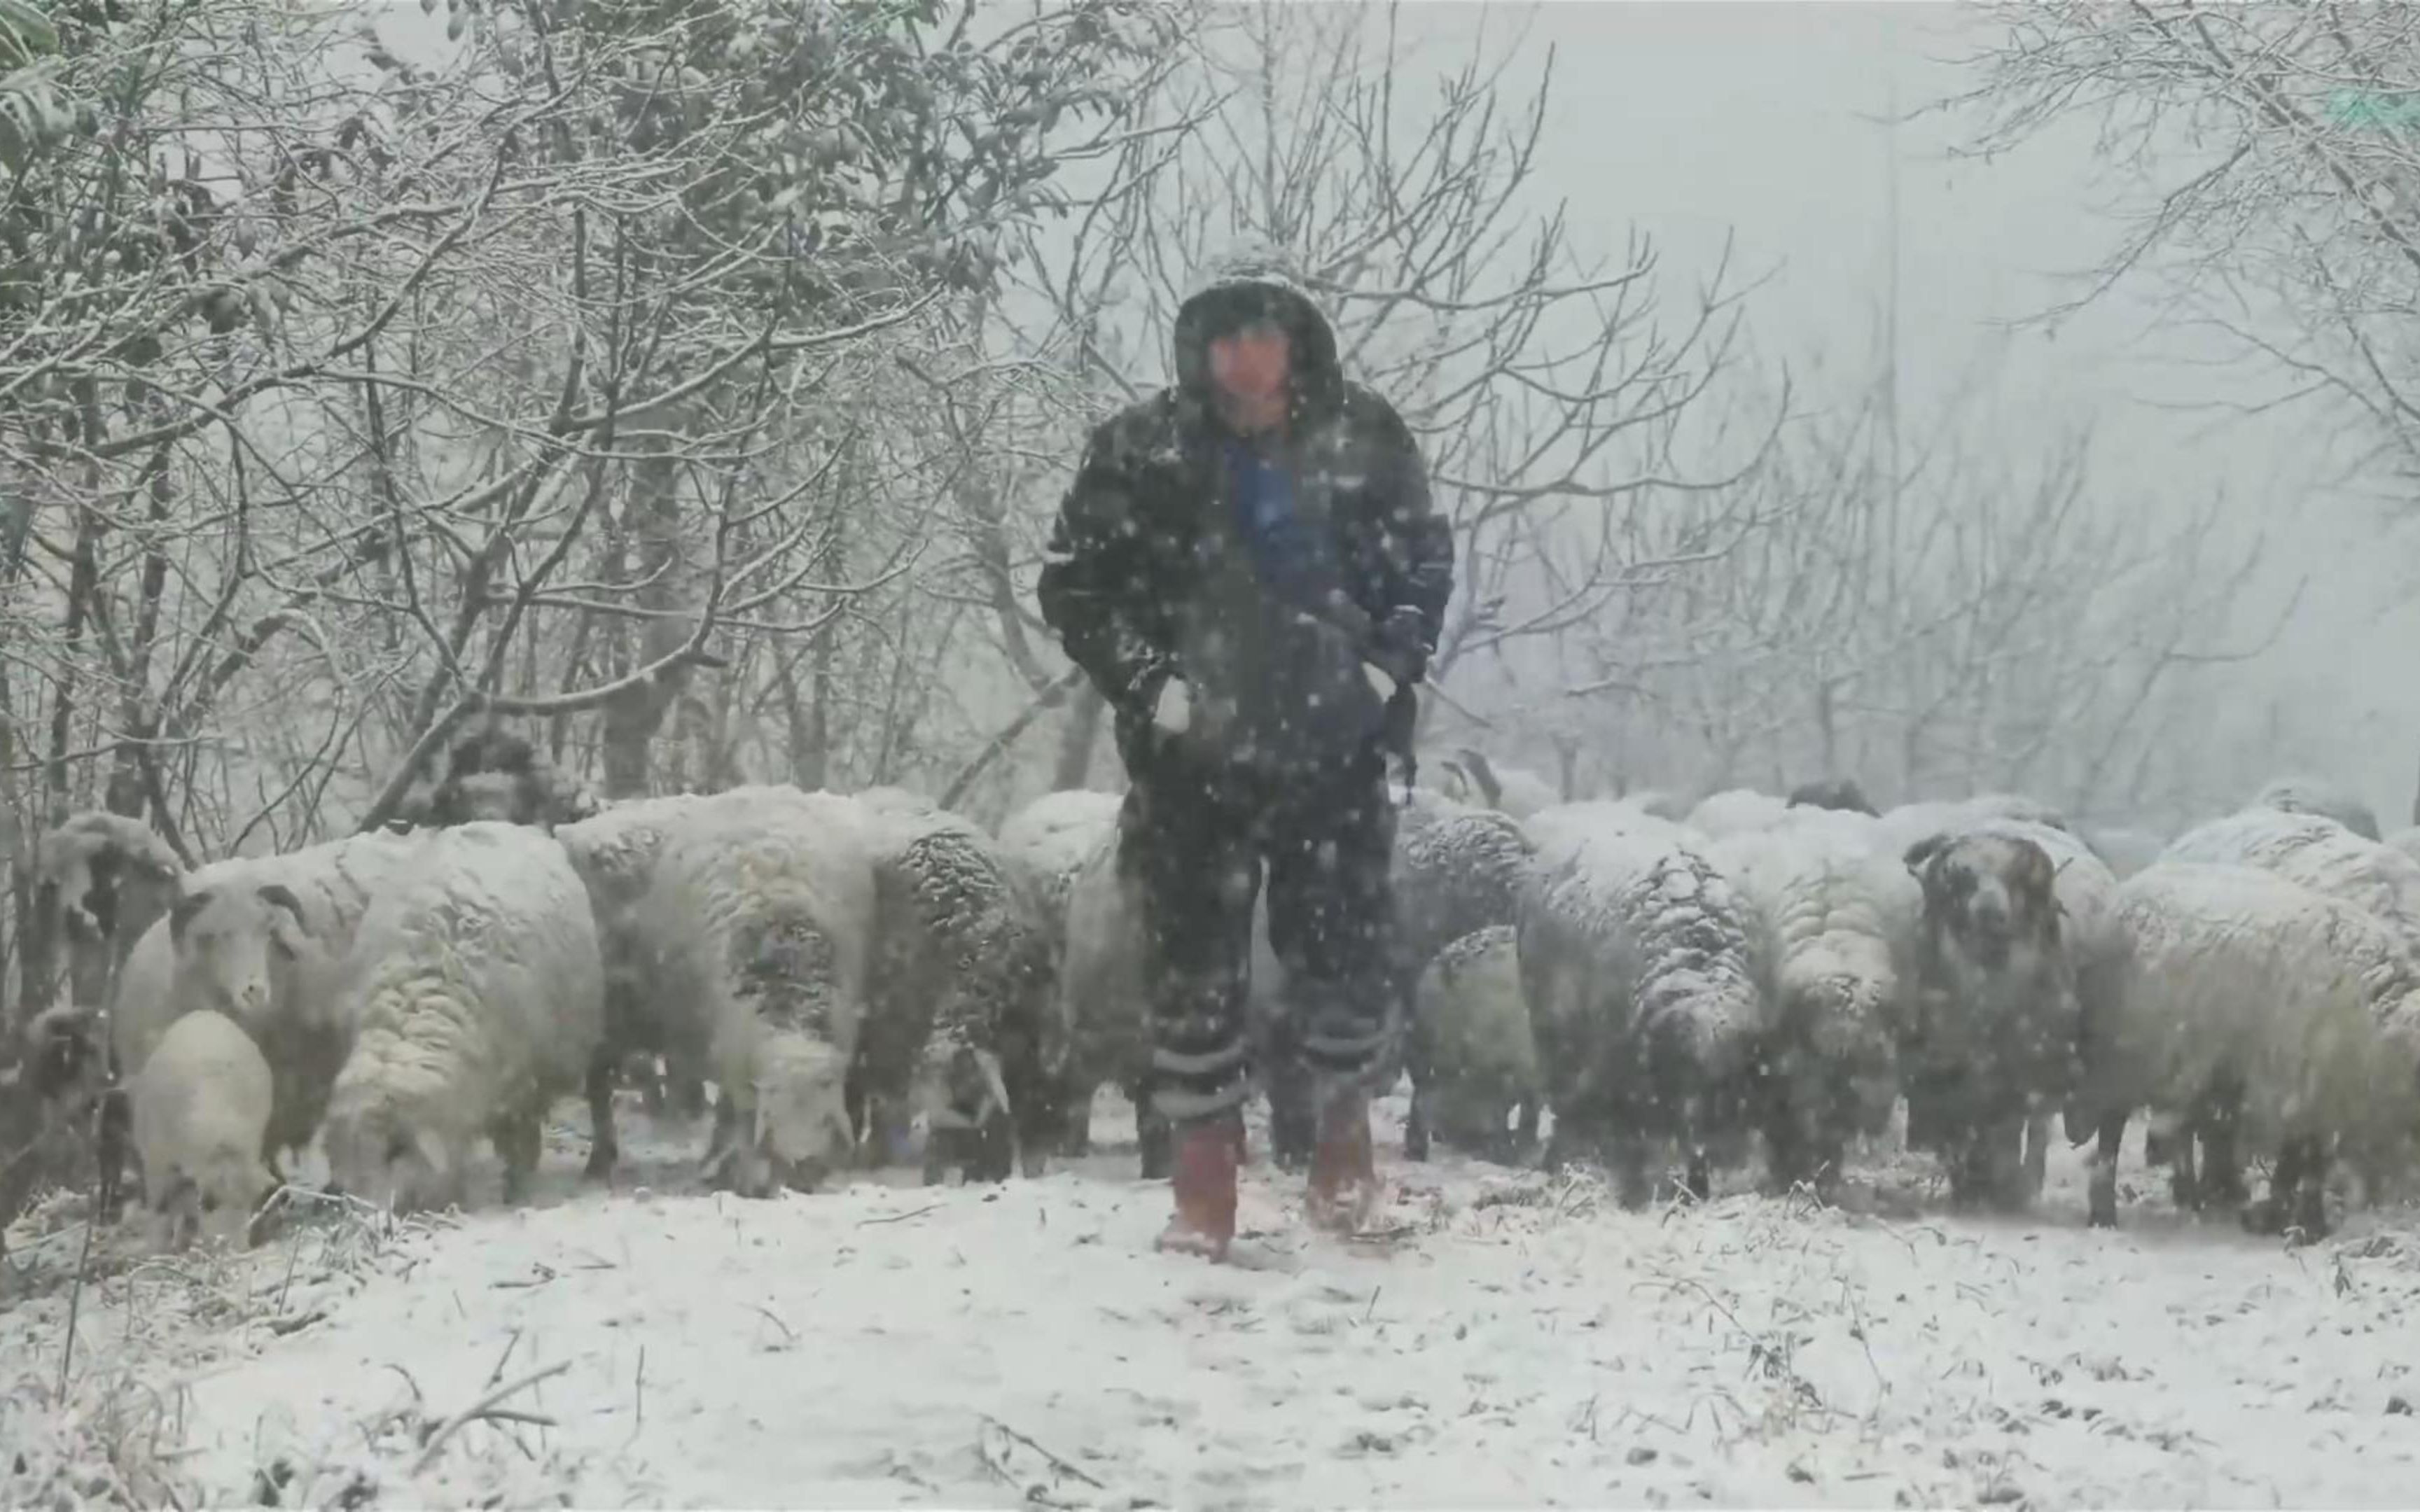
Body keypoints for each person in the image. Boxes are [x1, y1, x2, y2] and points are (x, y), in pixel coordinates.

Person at [1036, 245, 1454, 1261]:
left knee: (1343, 947)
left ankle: (1344, 1147)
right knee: (1192, 958)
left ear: (1296, 342)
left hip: (1334, 748)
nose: (1243, 359)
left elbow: (1423, 565)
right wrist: (1154, 687)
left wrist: (1379, 674)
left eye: (1262, 336)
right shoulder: (1141, 449)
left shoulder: (1366, 438)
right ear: (1199, 349)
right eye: (1224, 339)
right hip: (1195, 757)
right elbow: (1073, 586)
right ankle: (1205, 1175)